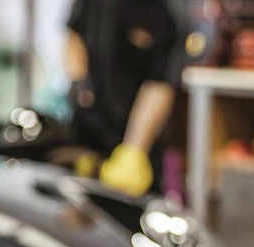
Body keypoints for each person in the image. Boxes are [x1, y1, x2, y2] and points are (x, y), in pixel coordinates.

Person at [65, 0, 187, 196]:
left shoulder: (167, 10)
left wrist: (133, 151)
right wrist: (80, 82)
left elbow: (160, 84)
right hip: (85, 138)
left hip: (134, 140)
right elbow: (74, 35)